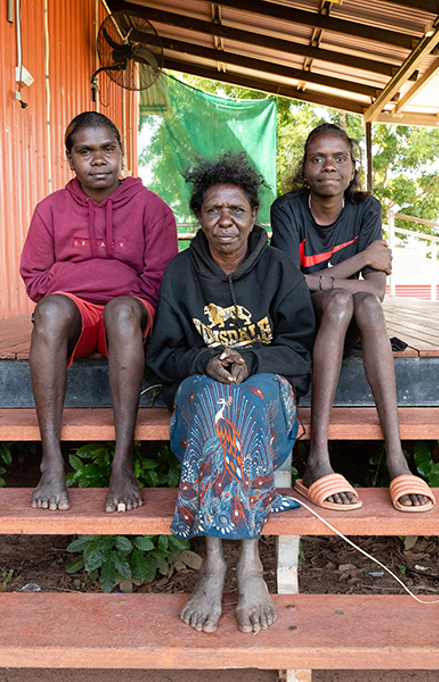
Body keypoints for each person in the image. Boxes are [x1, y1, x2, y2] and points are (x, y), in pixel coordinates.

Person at [147, 151, 316, 633]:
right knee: (221, 401)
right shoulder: (180, 272)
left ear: (253, 215)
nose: (225, 221)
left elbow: (301, 350)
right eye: (213, 210)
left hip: (267, 397)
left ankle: (242, 564)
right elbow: (161, 355)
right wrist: (204, 361)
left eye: (237, 210)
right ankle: (224, 562)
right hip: (199, 399)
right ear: (199, 216)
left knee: (242, 401)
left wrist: (252, 360)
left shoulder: (280, 269)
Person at [271, 122, 435, 513]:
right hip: (301, 322)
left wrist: (320, 280)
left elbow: (376, 289)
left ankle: (396, 457)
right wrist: (361, 259)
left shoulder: (366, 209)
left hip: (348, 320)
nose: (329, 166)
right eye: (318, 158)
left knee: (365, 305)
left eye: (339, 158)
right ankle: (317, 458)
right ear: (305, 169)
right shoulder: (288, 208)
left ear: (352, 167)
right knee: (344, 300)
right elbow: (289, 285)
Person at [20, 111, 178, 513]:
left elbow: (158, 282)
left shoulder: (151, 208)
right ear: (70, 159)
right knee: (51, 310)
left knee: (123, 312)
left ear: (122, 153)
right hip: (77, 317)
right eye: (85, 151)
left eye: (108, 149)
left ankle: (122, 463)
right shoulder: (50, 210)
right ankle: (51, 460)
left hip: (127, 320)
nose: (98, 159)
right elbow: (37, 282)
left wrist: (74, 274)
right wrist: (112, 275)